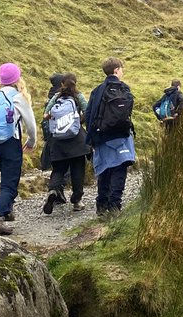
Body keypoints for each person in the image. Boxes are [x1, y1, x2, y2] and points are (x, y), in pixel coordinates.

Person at [0, 62, 37, 235]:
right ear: (17, 78)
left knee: (7, 178)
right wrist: (32, 141)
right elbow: (30, 124)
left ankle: (8, 209)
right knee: (9, 184)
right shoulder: (18, 97)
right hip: (10, 144)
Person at [85, 57, 136, 216]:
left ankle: (101, 205)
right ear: (116, 70)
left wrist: (91, 138)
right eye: (121, 69)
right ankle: (115, 205)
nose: (122, 72)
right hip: (121, 135)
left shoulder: (98, 90)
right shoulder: (125, 88)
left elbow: (89, 114)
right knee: (120, 169)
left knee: (105, 169)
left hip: (102, 136)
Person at [40, 73, 89, 214]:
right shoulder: (78, 96)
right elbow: (88, 111)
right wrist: (79, 121)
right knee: (77, 170)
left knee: (58, 169)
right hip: (76, 140)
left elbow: (45, 114)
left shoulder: (56, 97)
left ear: (62, 84)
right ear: (75, 83)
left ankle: (53, 190)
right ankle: (77, 201)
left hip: (58, 141)